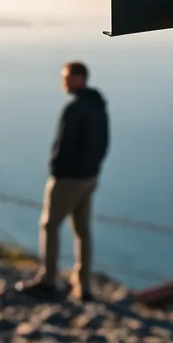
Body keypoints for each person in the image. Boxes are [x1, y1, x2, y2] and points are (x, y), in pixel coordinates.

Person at [16, 61, 110, 302]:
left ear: (80, 78)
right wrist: (94, 168)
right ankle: (84, 286)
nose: (64, 82)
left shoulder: (75, 108)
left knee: (49, 225)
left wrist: (57, 171)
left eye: (67, 77)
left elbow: (63, 145)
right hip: (90, 177)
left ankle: (48, 280)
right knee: (82, 230)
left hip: (69, 178)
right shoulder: (98, 106)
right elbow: (104, 142)